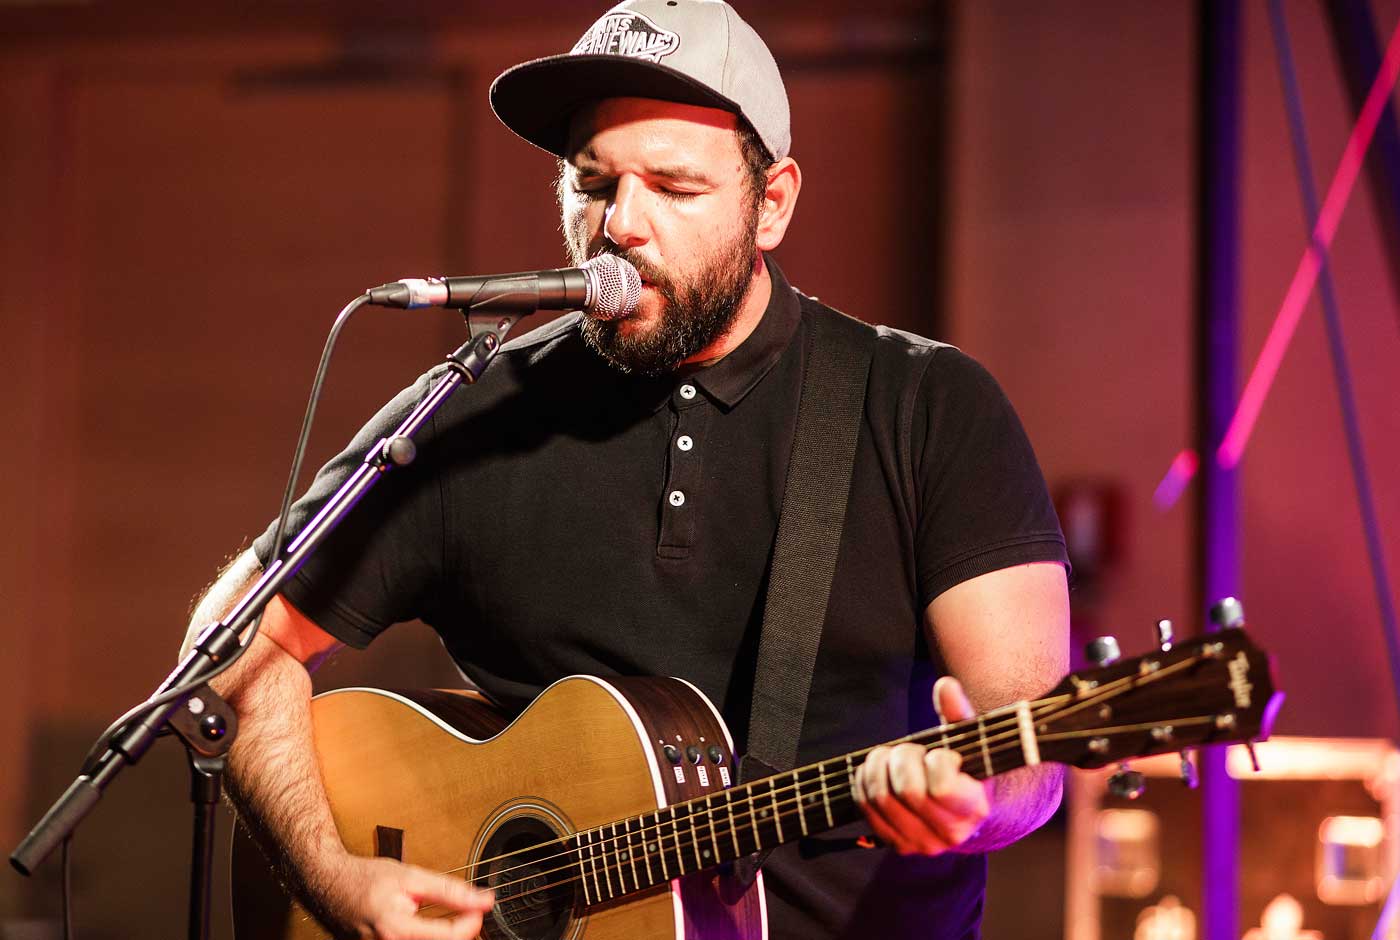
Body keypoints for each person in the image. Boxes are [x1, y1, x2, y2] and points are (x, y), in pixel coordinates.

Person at [185, 1, 1070, 938]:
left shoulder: (928, 408)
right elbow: (233, 648)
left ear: (771, 205)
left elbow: (1034, 751)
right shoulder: (477, 412)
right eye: (593, 183)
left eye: (675, 187)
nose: (621, 225)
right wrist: (332, 878)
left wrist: (976, 800)